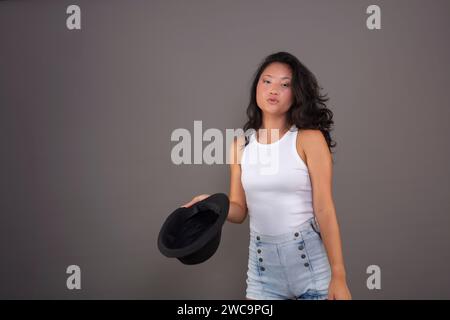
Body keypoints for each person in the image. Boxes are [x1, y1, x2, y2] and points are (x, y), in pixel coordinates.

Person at [182, 51, 352, 300]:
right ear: (256, 88)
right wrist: (211, 203)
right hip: (263, 271)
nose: (274, 89)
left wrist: (339, 276)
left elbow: (324, 208)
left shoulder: (308, 140)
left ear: (296, 94)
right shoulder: (240, 146)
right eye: (267, 80)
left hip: (310, 266)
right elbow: (239, 210)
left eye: (285, 84)